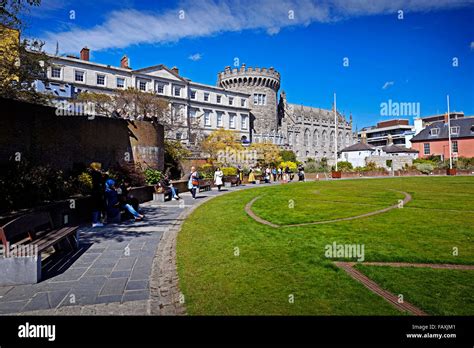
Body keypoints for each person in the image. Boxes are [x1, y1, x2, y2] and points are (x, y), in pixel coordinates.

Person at [89, 162, 106, 227]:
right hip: (97, 192)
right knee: (97, 206)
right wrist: (103, 175)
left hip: (94, 192)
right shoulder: (97, 173)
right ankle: (95, 222)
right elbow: (102, 181)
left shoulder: (92, 173)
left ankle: (96, 221)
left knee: (96, 206)